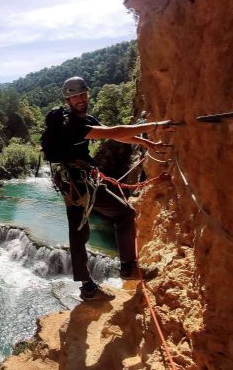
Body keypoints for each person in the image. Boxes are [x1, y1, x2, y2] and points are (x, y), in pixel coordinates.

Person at [51, 76, 172, 301]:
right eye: (74, 96)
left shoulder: (86, 119)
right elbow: (114, 132)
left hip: (82, 179)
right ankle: (98, 282)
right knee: (84, 231)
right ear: (67, 99)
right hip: (76, 183)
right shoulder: (71, 124)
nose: (79, 99)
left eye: (82, 94)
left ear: (87, 94)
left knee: (121, 214)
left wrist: (147, 143)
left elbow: (116, 133)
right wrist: (154, 126)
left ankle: (120, 271)